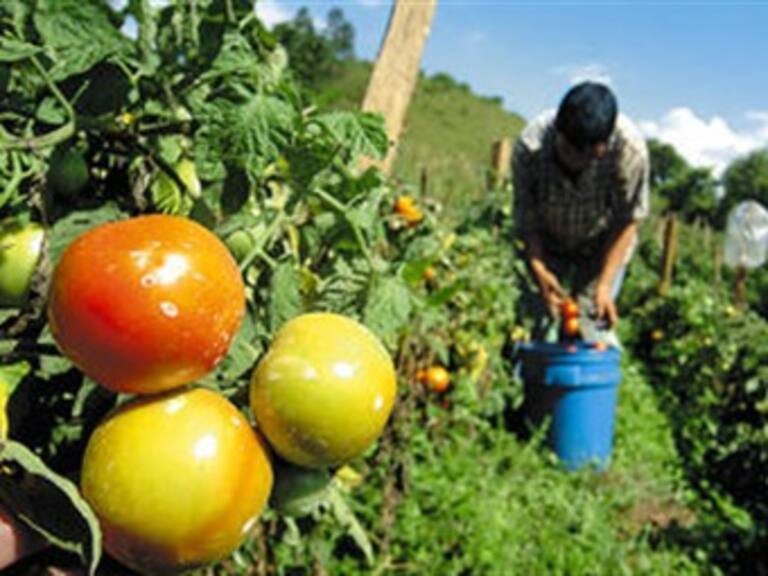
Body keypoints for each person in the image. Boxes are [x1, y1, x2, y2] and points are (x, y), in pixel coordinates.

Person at [512, 81, 650, 343]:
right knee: (534, 321)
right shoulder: (530, 147)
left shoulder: (630, 152)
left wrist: (605, 285)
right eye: (570, 151)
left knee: (589, 325)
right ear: (558, 132)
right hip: (547, 241)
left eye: (589, 156)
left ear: (604, 145)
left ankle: (581, 377)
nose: (578, 162)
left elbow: (628, 220)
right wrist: (538, 267)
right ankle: (528, 379)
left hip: (601, 247)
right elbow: (526, 215)